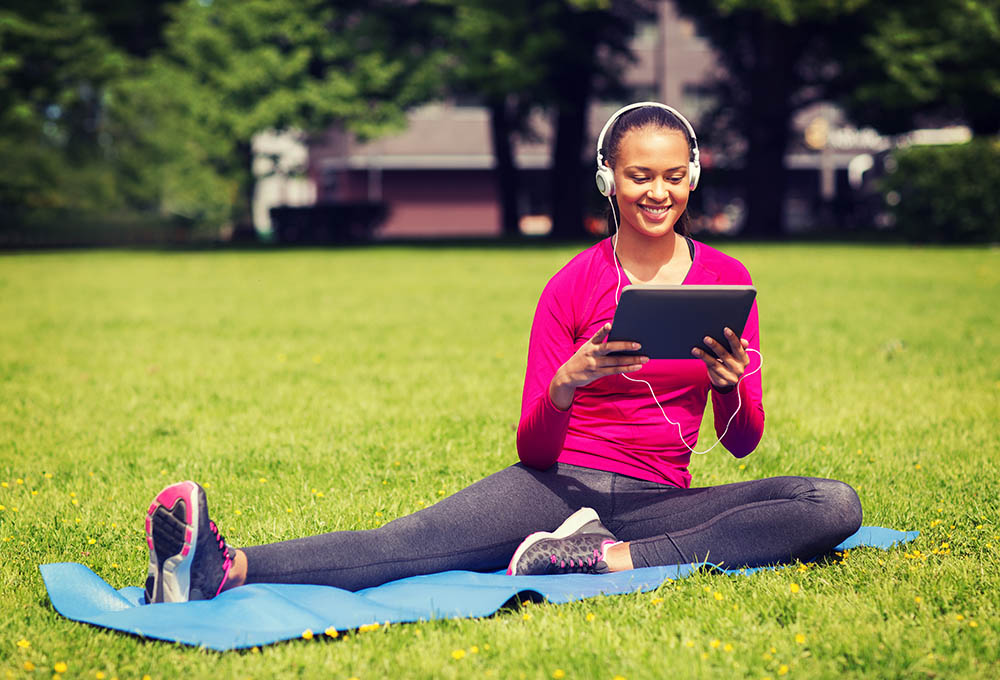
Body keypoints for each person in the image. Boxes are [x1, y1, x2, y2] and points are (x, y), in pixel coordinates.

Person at [143, 103, 862, 604]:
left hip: (659, 501)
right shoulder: (571, 284)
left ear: (693, 177)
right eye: (640, 175)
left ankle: (601, 559)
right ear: (610, 179)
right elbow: (534, 444)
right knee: (407, 543)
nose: (658, 191)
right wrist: (566, 384)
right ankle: (218, 567)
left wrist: (728, 385)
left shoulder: (727, 280)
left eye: (673, 175)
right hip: (557, 485)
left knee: (830, 503)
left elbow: (740, 446)